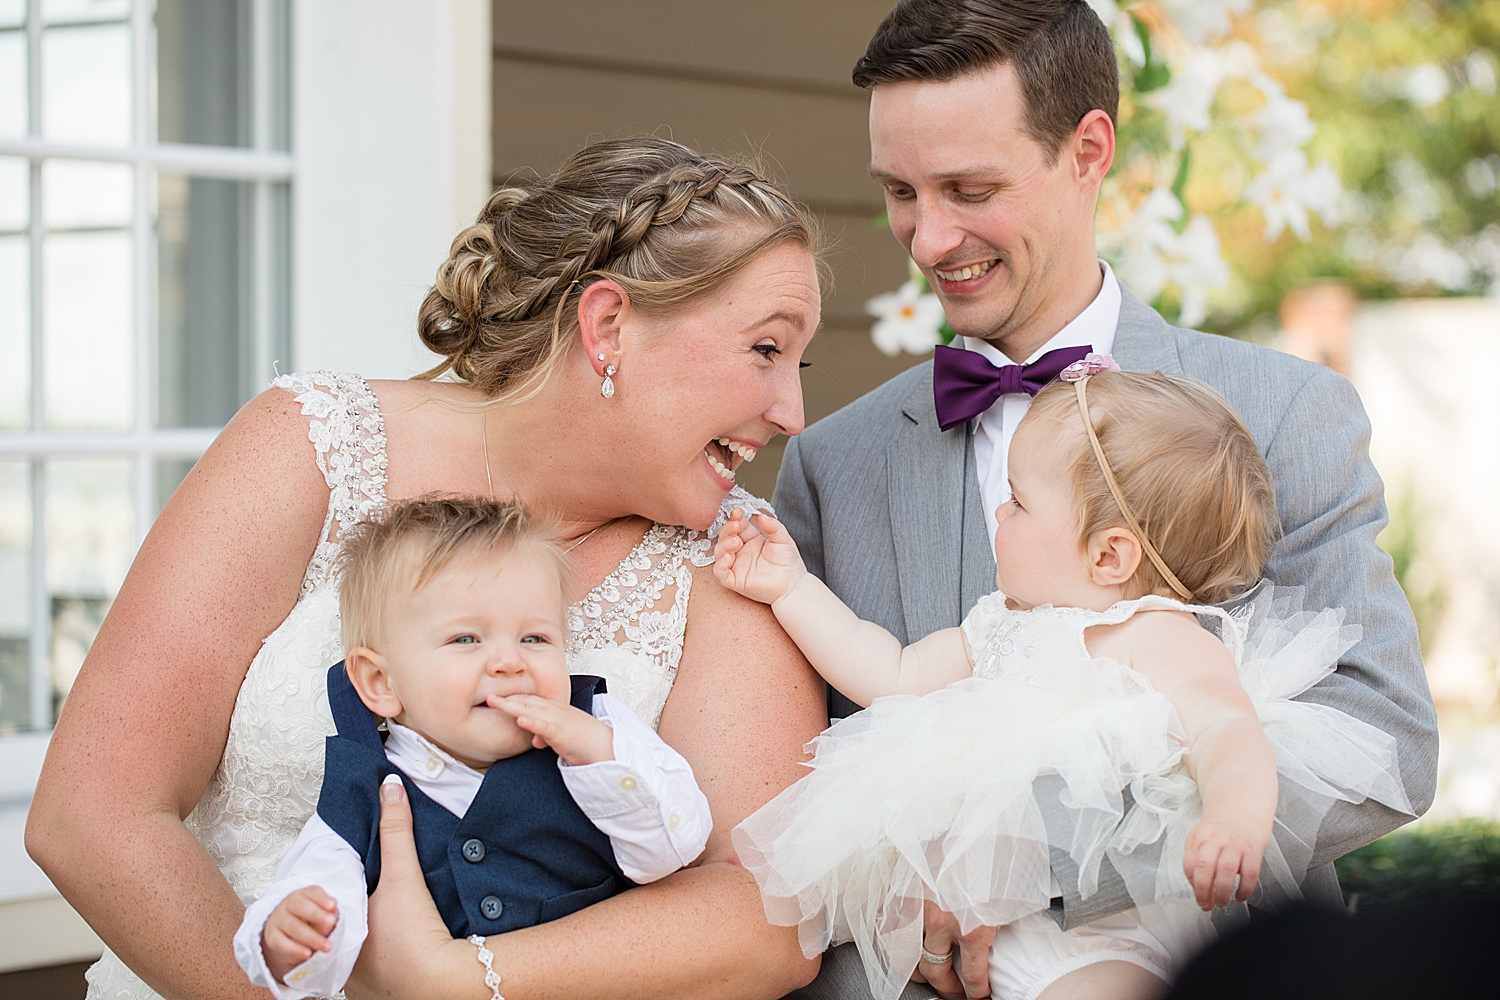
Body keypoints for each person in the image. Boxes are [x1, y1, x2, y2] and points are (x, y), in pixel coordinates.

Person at [26, 137, 829, 1000]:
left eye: (799, 363)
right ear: (608, 326)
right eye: (764, 351)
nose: (792, 410)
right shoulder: (314, 448)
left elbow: (769, 920)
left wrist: (461, 979)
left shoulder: (741, 558)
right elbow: (94, 817)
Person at [773, 2, 1438, 997]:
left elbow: (1383, 730)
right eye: (901, 192)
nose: (928, 236)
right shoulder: (831, 462)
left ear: (1088, 151)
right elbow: (787, 779)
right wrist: (897, 896)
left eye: (969, 188)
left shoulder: (1284, 411)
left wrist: (1036, 874)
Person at [722, 367, 1412, 1000]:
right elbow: (891, 674)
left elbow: (1227, 726)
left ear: (1110, 554)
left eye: (1018, 503)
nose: (999, 513)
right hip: (983, 951)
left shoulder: (1156, 633)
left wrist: (1234, 816)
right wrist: (792, 588)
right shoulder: (999, 625)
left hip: (1114, 935)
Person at [234, 497, 713, 999]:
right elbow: (322, 890)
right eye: (466, 639)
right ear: (380, 682)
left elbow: (673, 849)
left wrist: (596, 752)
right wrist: (291, 934)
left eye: (535, 638)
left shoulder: (597, 734)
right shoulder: (364, 790)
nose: (509, 661)